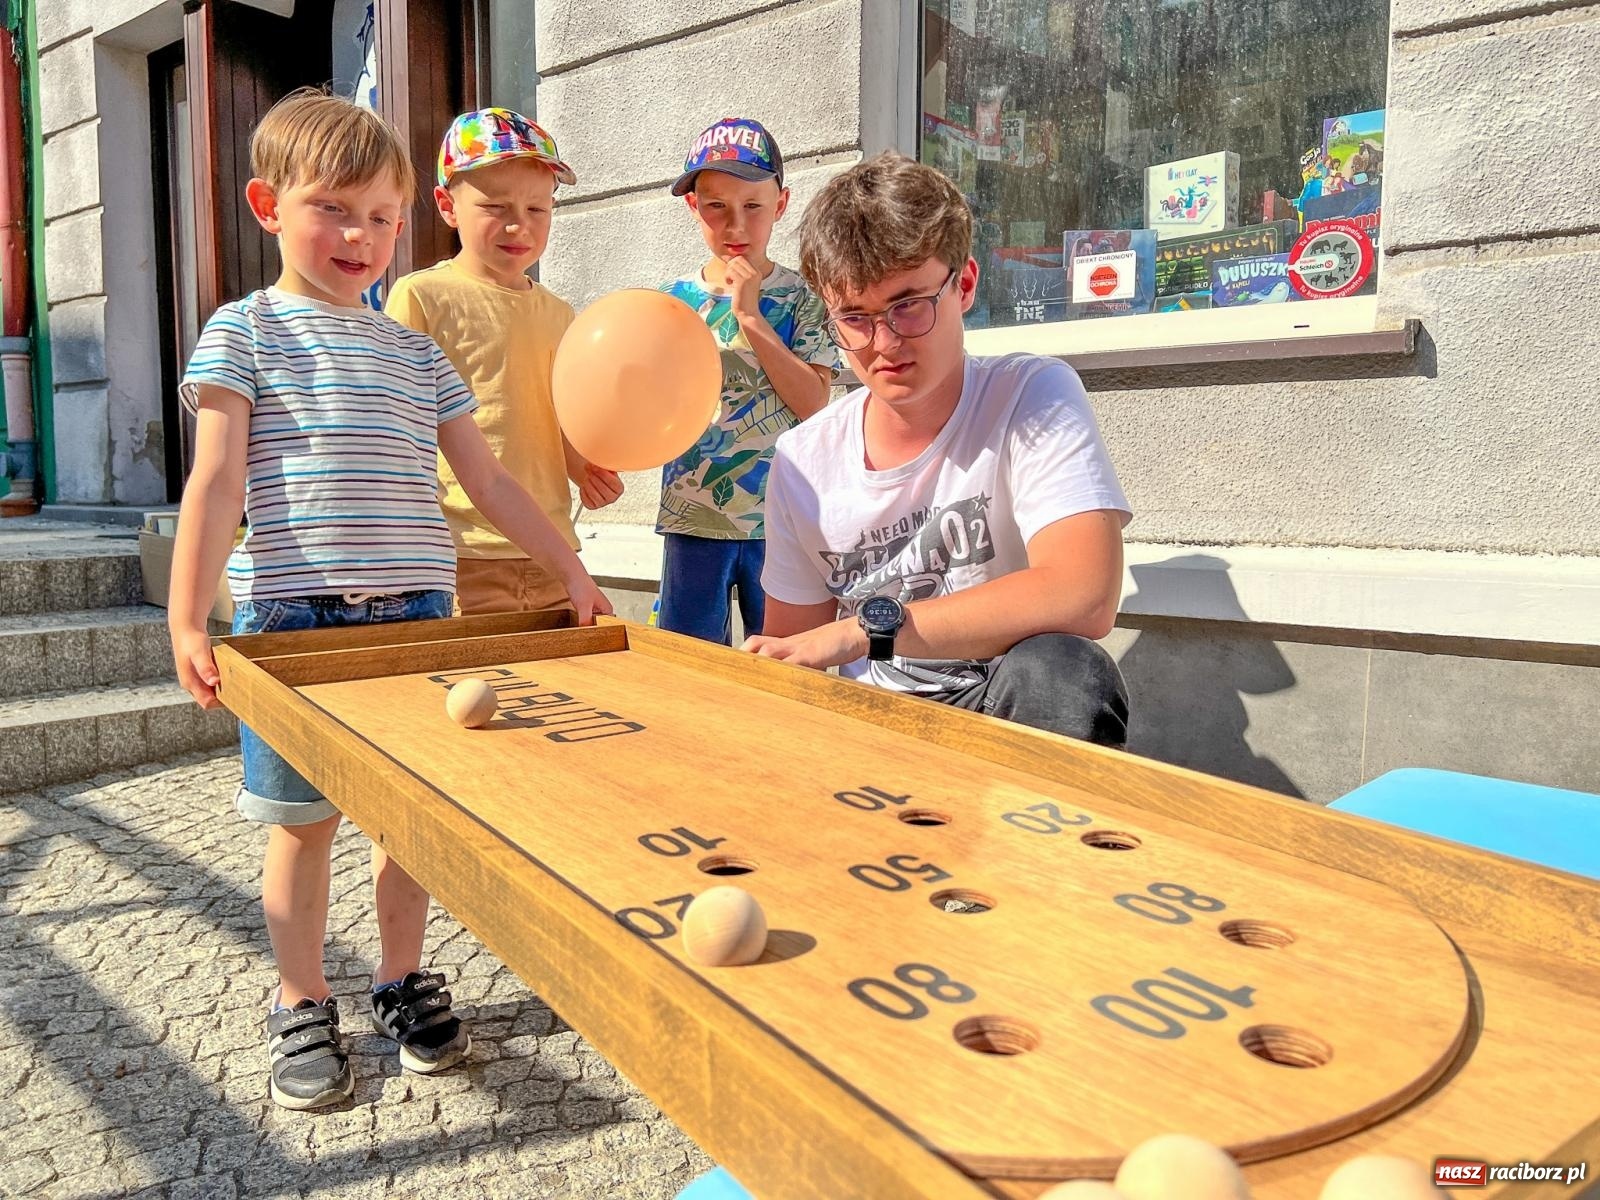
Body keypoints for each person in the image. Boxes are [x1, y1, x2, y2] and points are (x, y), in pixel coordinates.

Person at [166, 89, 611, 1111]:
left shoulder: (418, 353)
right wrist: (190, 617)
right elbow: (216, 482)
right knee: (300, 823)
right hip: (296, 632)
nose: (359, 236)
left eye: (380, 216)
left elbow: (492, 482)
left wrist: (575, 572)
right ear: (268, 205)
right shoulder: (244, 331)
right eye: (333, 209)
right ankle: (300, 998)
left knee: (409, 822)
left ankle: (399, 980)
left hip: (419, 619)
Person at [743, 152, 1131, 747]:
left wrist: (863, 632)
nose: (884, 342)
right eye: (855, 317)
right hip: (870, 727)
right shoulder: (803, 459)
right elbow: (797, 655)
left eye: (908, 305)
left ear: (965, 284)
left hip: (1000, 705)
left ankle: (1036, 841)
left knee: (1065, 670)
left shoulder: (1030, 394)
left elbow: (1084, 594)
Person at [386, 108, 623, 617]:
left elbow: (553, 414)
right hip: (462, 554)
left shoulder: (559, 312)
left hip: (556, 549)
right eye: (496, 206)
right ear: (447, 205)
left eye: (538, 209)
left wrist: (583, 469)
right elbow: (398, 427)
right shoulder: (422, 297)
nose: (520, 225)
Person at [654, 117, 839, 645]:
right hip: (694, 519)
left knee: (782, 666)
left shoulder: (805, 297)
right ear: (693, 207)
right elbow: (648, 405)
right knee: (690, 668)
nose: (735, 226)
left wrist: (752, 319)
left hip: (781, 523)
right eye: (716, 206)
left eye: (753, 207)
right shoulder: (671, 303)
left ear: (781, 204)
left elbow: (815, 404)